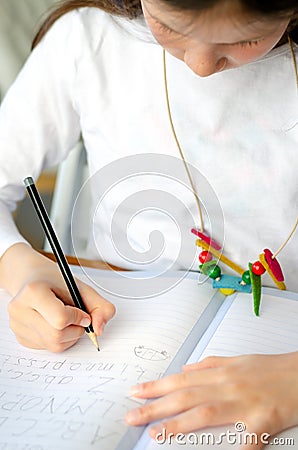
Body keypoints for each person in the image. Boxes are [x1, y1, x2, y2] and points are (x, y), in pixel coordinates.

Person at [0, 0, 297, 448]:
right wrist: (18, 265)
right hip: (127, 327)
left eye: (245, 39)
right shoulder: (90, 40)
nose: (200, 65)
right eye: (168, 26)